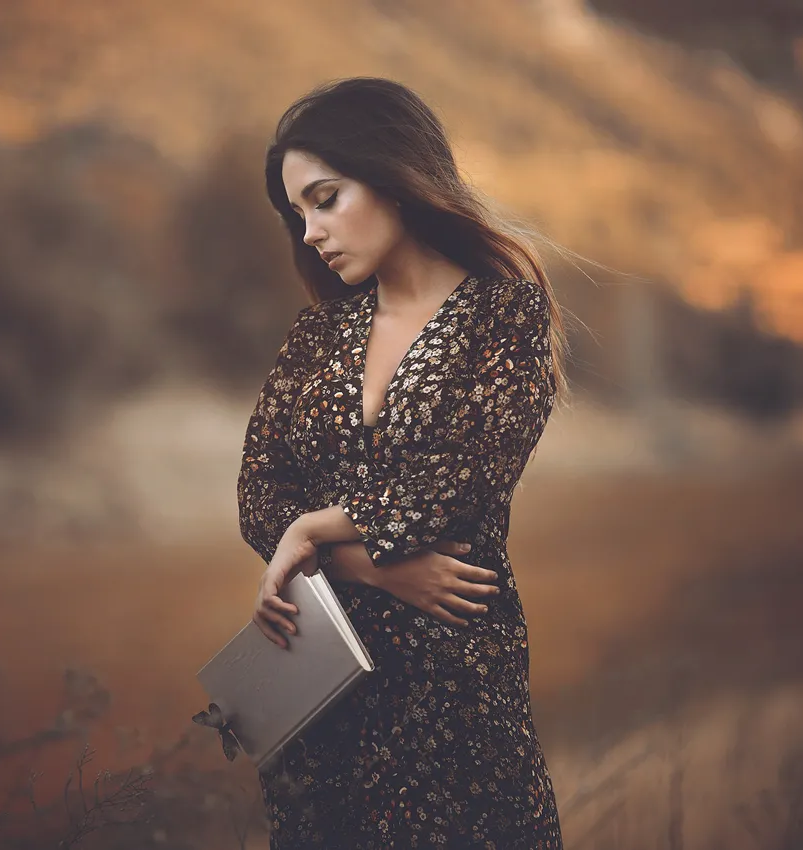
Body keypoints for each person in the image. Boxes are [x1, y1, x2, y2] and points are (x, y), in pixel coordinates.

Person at [237, 76, 568, 849]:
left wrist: (314, 530)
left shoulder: (504, 315)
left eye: (325, 198)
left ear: (393, 174)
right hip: (325, 688)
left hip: (454, 688)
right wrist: (372, 570)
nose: (312, 231)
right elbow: (260, 498)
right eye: (297, 215)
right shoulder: (317, 337)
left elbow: (458, 479)